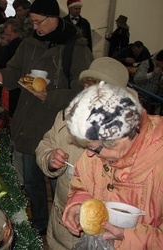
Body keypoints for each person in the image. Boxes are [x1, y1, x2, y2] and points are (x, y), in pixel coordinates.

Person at [0, 0, 93, 235]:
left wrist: (50, 96)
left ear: (53, 17)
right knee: (32, 179)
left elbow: (83, 89)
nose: (34, 27)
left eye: (38, 21)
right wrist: (0, 76)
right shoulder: (29, 43)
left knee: (59, 182)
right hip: (28, 119)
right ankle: (41, 222)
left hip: (58, 126)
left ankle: (62, 226)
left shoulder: (76, 48)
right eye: (31, 22)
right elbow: (15, 71)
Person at [36, 57, 134, 249]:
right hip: (64, 228)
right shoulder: (66, 117)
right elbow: (45, 144)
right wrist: (50, 158)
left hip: (108, 235)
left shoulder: (132, 135)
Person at [62, 82, 163, 249]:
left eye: (93, 148)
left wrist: (129, 236)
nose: (88, 155)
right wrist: (78, 204)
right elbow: (82, 181)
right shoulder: (98, 149)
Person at [132, 50, 163, 114]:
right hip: (141, 94)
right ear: (158, 60)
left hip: (154, 97)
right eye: (162, 63)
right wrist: (152, 74)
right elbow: (136, 78)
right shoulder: (147, 63)